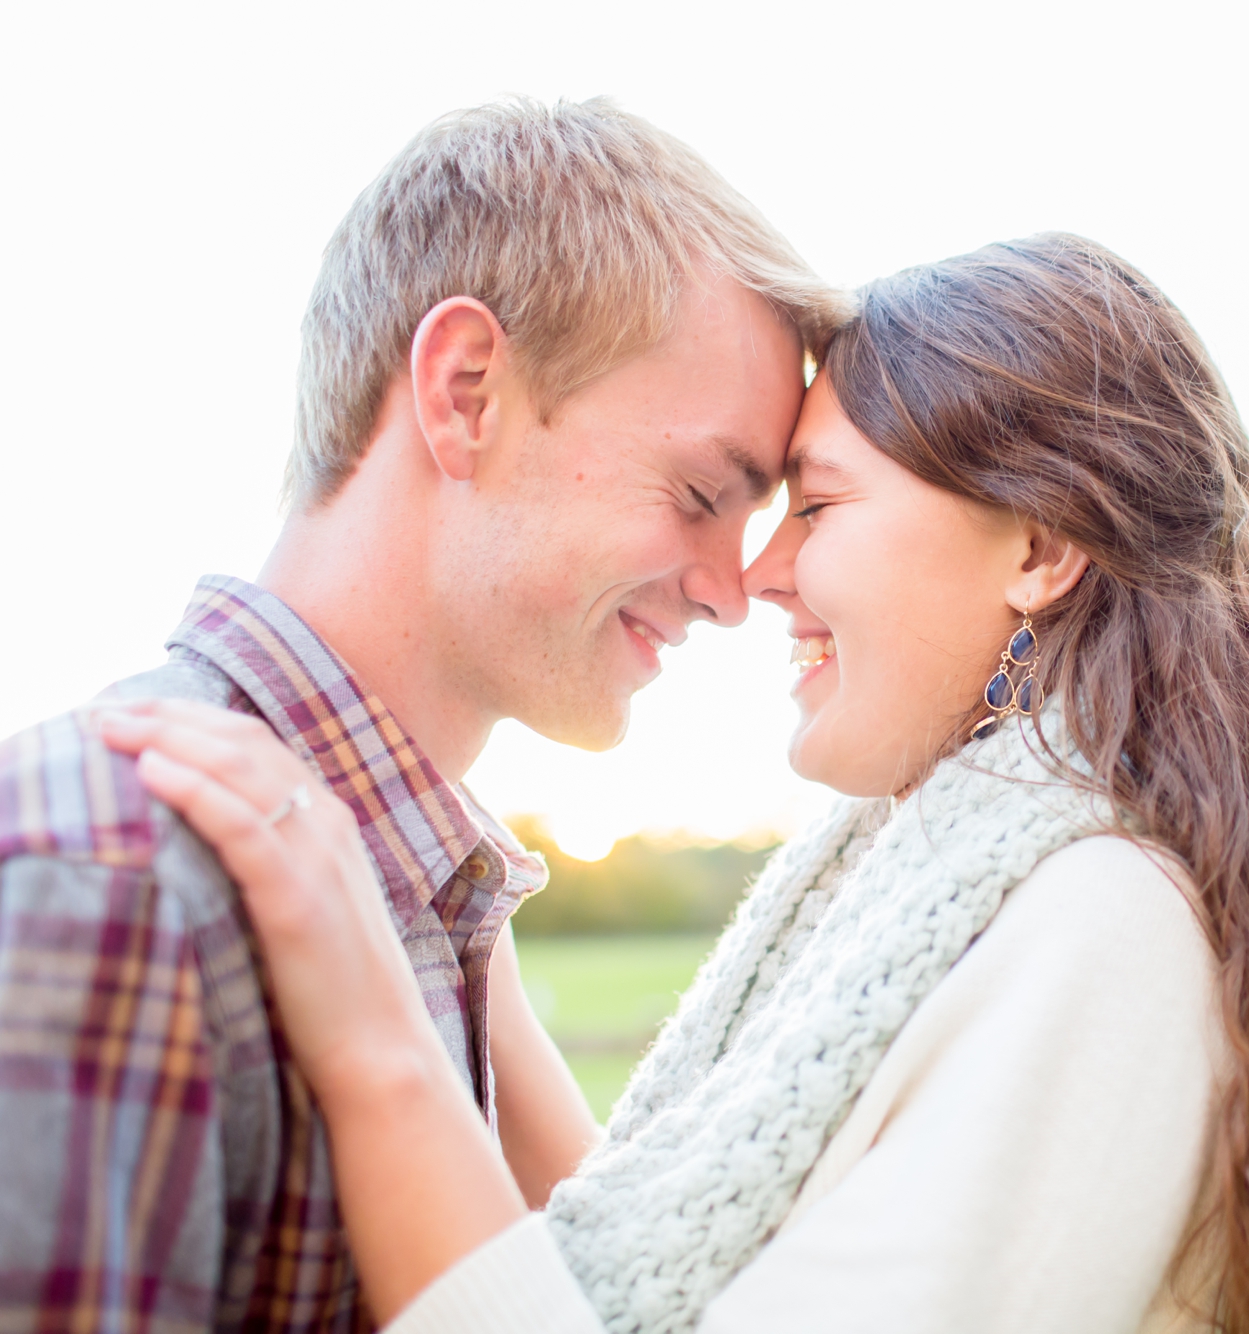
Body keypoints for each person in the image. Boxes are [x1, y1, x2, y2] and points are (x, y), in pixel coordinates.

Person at [102, 235, 1249, 1333]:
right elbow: (648, 1252)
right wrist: (457, 954)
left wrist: (376, 1043)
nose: (757, 576)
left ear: (1038, 545)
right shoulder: (931, 877)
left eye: (819, 505)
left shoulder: (1104, 931)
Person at [0, 98, 846, 1331]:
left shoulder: (413, 896)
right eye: (701, 491)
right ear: (465, 393)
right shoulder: (118, 872)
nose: (729, 591)